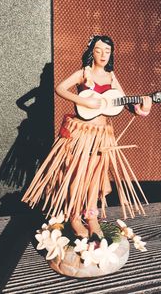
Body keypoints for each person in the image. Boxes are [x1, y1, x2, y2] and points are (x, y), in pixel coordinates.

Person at [22, 35, 152, 239]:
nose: (103, 55)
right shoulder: (84, 73)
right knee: (78, 174)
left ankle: (91, 216)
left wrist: (143, 106)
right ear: (91, 51)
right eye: (99, 50)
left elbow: (125, 102)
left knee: (95, 176)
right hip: (82, 133)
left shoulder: (111, 76)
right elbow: (60, 88)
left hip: (101, 136)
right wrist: (84, 102)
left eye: (107, 51)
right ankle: (74, 216)